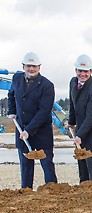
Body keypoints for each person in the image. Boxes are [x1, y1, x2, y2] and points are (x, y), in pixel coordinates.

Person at [7, 52, 58, 188]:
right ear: (23, 66)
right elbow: (11, 94)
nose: (32, 69)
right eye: (29, 66)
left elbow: (44, 111)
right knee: (25, 165)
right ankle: (26, 191)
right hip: (22, 129)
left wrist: (28, 130)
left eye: (34, 66)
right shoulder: (16, 78)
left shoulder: (47, 85)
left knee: (47, 164)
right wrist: (11, 111)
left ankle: (53, 192)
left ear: (39, 67)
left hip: (41, 132)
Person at [67, 54, 92, 184]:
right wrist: (71, 122)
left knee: (91, 162)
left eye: (85, 71)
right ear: (76, 71)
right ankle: (83, 187)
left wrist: (79, 135)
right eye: (80, 71)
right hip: (82, 130)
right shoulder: (73, 83)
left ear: (91, 71)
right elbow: (73, 104)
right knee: (81, 159)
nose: (82, 74)